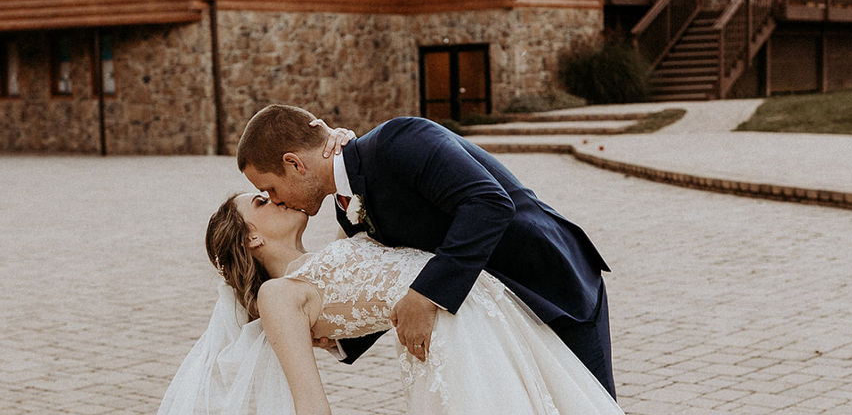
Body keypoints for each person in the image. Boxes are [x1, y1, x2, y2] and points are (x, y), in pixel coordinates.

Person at [236, 104, 617, 398]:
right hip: (496, 311)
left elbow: (488, 203)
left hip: (551, 284)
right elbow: (391, 272)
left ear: (294, 163)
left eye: (270, 188)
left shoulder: (401, 139)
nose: (277, 200)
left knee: (587, 403)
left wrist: (426, 295)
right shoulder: (347, 204)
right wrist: (339, 338)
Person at [158, 193, 624, 414]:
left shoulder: (334, 247)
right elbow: (310, 404)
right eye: (261, 201)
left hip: (488, 313)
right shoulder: (278, 295)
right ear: (252, 236)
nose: (276, 197)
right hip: (453, 343)